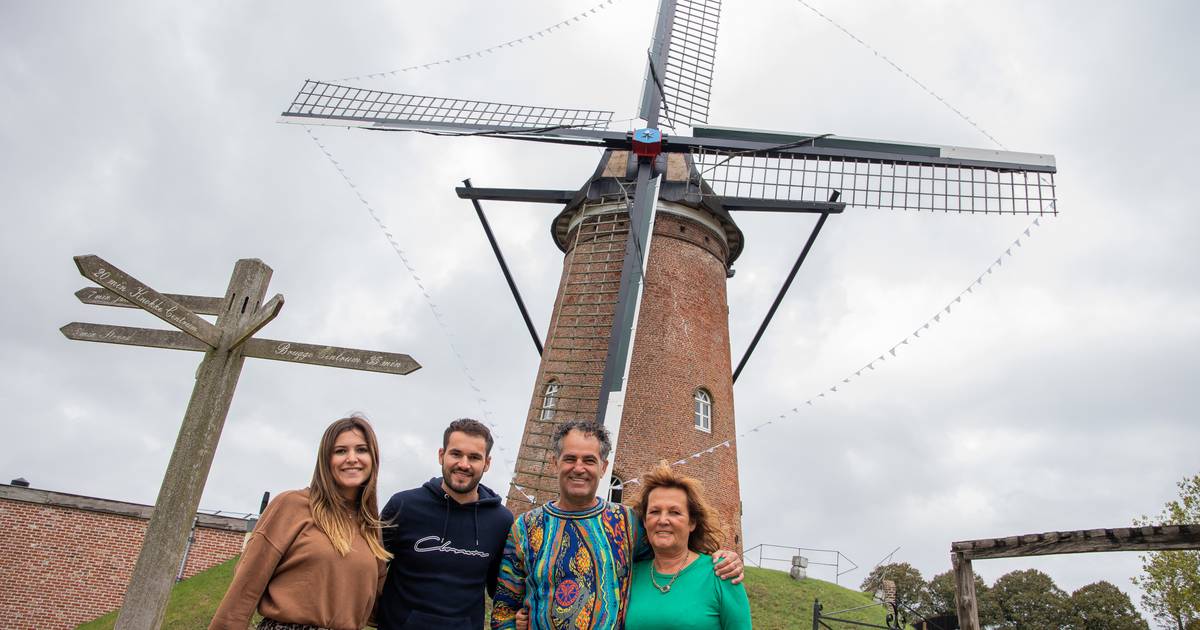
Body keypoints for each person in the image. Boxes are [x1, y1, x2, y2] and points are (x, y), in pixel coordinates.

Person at [491, 419, 743, 630]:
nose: (579, 468)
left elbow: (672, 550)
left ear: (603, 468)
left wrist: (725, 558)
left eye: (589, 460)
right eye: (570, 459)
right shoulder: (525, 528)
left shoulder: (627, 523)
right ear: (554, 463)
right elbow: (504, 611)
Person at [210, 415, 390, 630]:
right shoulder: (291, 505)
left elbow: (383, 605)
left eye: (361, 450)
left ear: (373, 458)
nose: (352, 458)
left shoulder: (371, 528)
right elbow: (246, 585)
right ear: (326, 460)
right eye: (341, 451)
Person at [376, 418, 515, 629]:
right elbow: (370, 570)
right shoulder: (403, 506)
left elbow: (502, 590)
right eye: (456, 454)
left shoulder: (501, 521)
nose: (464, 464)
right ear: (442, 455)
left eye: (474, 457)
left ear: (487, 463)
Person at [624, 462, 752, 629]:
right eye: (654, 512)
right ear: (644, 521)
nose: (663, 520)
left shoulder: (721, 573)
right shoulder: (629, 575)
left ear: (692, 522)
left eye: (674, 512)